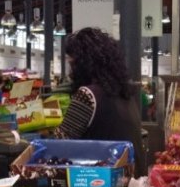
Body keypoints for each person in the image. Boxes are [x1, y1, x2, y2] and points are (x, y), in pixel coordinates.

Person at [52, 27, 147, 174]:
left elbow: (60, 142)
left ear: (83, 64)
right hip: (131, 181)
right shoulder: (125, 94)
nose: (71, 72)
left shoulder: (87, 95)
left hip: (102, 185)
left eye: (72, 64)